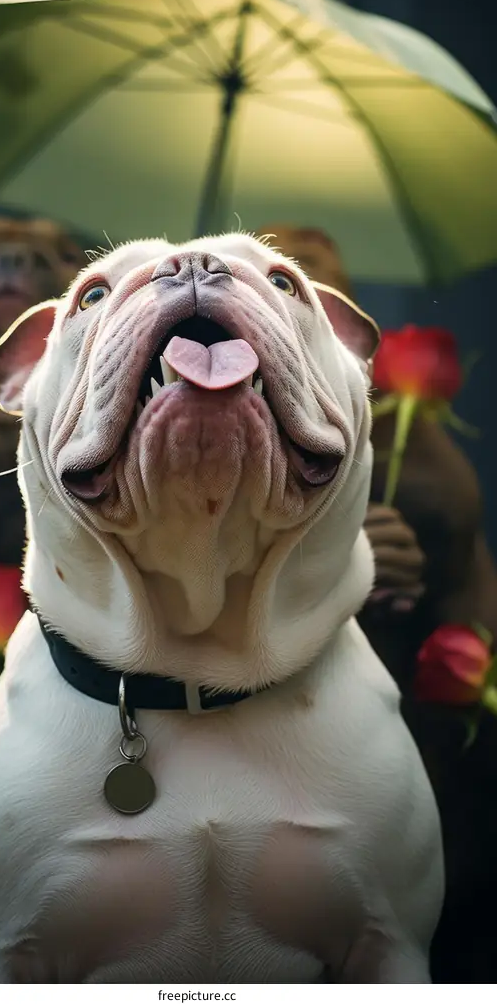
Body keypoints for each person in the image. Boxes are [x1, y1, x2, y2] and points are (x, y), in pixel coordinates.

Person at [257, 223, 497, 984]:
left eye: (318, 286)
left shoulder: (408, 435)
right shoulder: (209, 407)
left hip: (396, 729)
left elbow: (465, 568)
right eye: (278, 278)